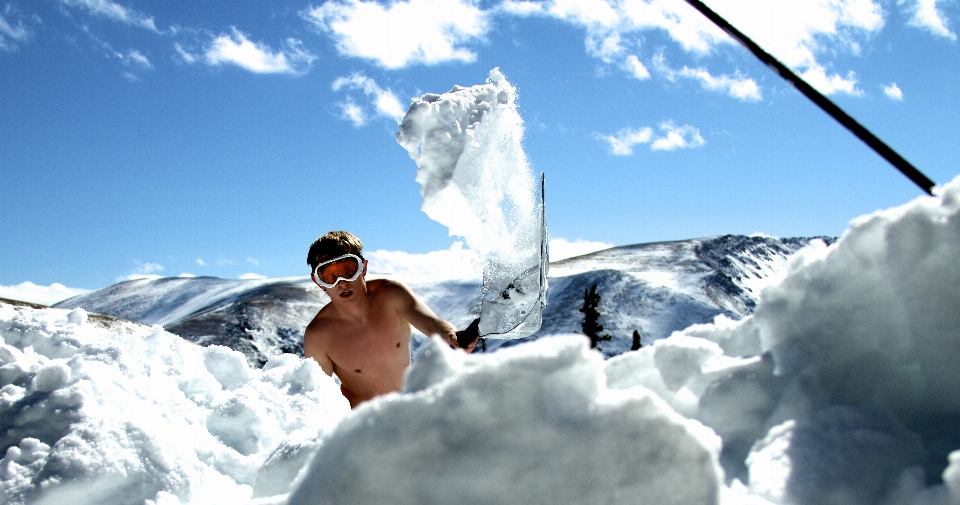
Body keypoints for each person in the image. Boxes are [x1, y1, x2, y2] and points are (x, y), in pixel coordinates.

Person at [303, 231, 479, 408]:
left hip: (410, 411)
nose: (342, 282)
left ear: (363, 267)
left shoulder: (390, 295)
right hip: (365, 426)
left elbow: (430, 322)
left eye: (349, 270)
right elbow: (319, 399)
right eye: (329, 275)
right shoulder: (318, 336)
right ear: (318, 281)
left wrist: (451, 335)